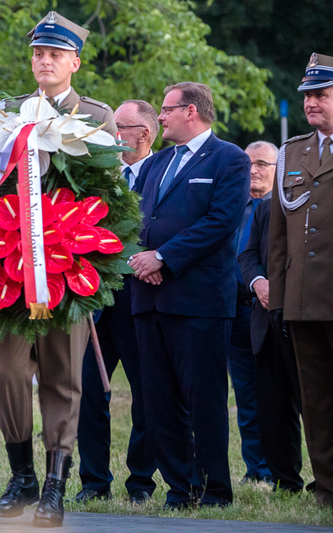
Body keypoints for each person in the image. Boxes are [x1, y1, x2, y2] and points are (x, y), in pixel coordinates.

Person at [0, 12, 117, 527]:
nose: (44, 60)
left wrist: (86, 256)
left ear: (75, 63)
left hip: (68, 268)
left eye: (55, 54)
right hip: (8, 269)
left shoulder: (97, 118)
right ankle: (21, 473)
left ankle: (56, 484)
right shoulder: (8, 112)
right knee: (6, 372)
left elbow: (113, 196)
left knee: (64, 377)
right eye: (38, 52)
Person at [129, 82, 250, 508]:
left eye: (165, 110)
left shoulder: (230, 159)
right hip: (150, 299)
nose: (158, 117)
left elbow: (221, 222)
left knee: (205, 399)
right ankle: (180, 488)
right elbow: (134, 219)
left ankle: (215, 488)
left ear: (192, 111)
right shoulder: (156, 163)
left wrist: (164, 257)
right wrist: (142, 260)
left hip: (199, 301)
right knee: (159, 400)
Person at [74, 100, 158, 504]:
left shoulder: (163, 171)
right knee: (89, 388)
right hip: (95, 295)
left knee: (146, 391)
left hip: (142, 294)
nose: (112, 135)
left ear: (144, 133)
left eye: (120, 128)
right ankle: (94, 482)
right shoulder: (100, 174)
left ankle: (141, 481)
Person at [269, 52, 333, 508]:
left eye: (322, 95)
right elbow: (278, 234)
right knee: (317, 400)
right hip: (304, 298)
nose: (312, 103)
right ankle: (327, 487)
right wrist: (278, 298)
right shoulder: (292, 153)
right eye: (308, 96)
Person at [239, 144, 306, 493]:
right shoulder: (264, 210)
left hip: (306, 318)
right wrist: (258, 281)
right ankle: (286, 481)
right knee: (272, 407)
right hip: (265, 322)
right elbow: (248, 255)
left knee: (314, 404)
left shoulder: (311, 207)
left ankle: (324, 482)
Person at [228, 141, 275, 487]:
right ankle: (255, 467)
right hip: (233, 313)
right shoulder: (232, 208)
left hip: (270, 313)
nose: (253, 171)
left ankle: (278, 467)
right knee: (245, 395)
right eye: (247, 164)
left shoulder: (283, 211)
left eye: (262, 164)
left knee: (274, 393)